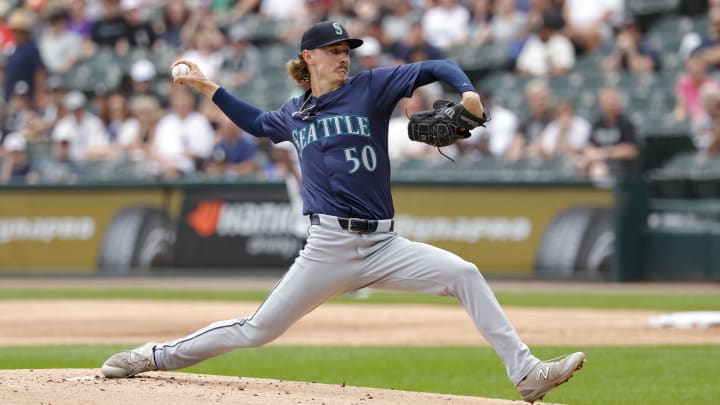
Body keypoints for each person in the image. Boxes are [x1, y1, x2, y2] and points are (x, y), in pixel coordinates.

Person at [100, 20, 585, 403]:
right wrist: (210, 89)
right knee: (256, 331)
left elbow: (436, 64)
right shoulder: (295, 113)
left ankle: (525, 372)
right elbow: (256, 123)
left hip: (384, 244)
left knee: (465, 273)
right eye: (334, 52)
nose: (343, 59)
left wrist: (468, 92)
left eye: (346, 52)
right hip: (328, 247)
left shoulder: (370, 88)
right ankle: (155, 356)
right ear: (308, 57)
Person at [578, 87, 639, 181]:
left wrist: (604, 153)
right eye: (607, 100)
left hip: (621, 168)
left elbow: (631, 150)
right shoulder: (597, 123)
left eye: (612, 100)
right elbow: (589, 146)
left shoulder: (626, 123)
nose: (610, 104)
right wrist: (590, 156)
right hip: (600, 164)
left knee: (599, 172)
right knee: (581, 167)